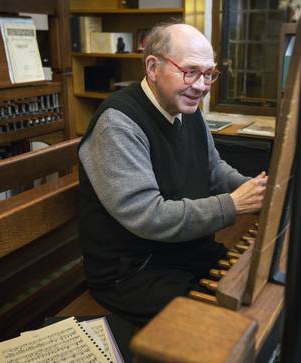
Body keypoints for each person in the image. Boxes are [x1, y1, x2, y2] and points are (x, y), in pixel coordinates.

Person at [78, 21, 268, 326]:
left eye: (209, 74)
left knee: (258, 287)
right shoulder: (118, 124)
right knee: (221, 325)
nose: (202, 85)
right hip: (135, 272)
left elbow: (213, 170)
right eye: (190, 71)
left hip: (183, 252)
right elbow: (148, 215)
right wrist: (233, 205)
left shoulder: (187, 107)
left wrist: (257, 190)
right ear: (153, 67)